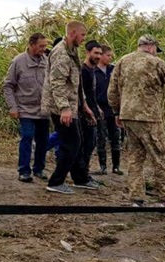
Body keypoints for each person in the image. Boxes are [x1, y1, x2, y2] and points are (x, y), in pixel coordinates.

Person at [108, 34, 165, 207]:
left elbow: (112, 90)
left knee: (135, 158)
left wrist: (116, 112)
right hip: (149, 118)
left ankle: (136, 199)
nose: (156, 53)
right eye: (156, 50)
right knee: (159, 157)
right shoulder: (157, 63)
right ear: (151, 46)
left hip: (128, 116)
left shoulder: (122, 61)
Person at [42, 21, 96, 194]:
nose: (83, 39)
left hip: (72, 106)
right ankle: (56, 182)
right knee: (71, 144)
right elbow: (56, 83)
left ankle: (80, 178)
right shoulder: (61, 53)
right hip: (61, 108)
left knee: (77, 142)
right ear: (73, 33)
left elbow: (75, 83)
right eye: (82, 35)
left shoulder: (72, 51)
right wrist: (64, 108)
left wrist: (84, 104)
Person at [3, 32, 50, 183]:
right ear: (31, 45)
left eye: (45, 46)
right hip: (25, 109)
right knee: (27, 136)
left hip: (43, 109)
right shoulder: (18, 61)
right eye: (40, 46)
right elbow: (8, 86)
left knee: (43, 140)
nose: (43, 49)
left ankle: (39, 169)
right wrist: (13, 107)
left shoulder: (47, 61)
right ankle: (24, 170)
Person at [95, 44, 123, 175]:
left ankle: (116, 166)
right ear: (101, 56)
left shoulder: (113, 69)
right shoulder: (93, 71)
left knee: (115, 137)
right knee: (101, 137)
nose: (110, 58)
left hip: (113, 108)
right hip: (100, 108)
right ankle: (102, 166)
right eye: (108, 55)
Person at [78, 40, 101, 185]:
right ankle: (82, 177)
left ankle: (84, 174)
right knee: (85, 145)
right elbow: (81, 94)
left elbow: (91, 93)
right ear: (88, 52)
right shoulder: (84, 70)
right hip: (84, 113)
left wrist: (97, 108)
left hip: (92, 110)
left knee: (91, 144)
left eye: (100, 53)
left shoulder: (92, 70)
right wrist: (87, 111)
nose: (98, 56)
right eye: (95, 53)